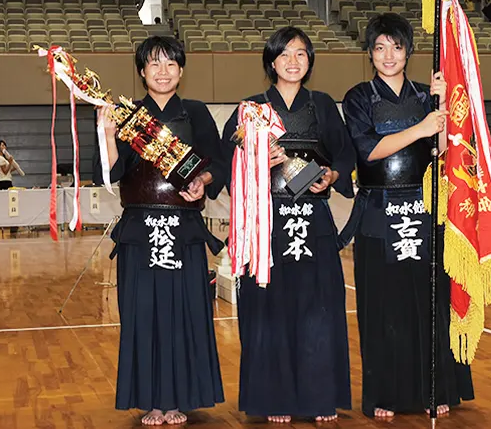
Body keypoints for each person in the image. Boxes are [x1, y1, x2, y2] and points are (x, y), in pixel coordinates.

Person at [219, 27, 355, 423]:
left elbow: (345, 154)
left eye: (301, 54)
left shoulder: (323, 105)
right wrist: (259, 156)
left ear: (310, 61)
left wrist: (330, 175)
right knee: (270, 310)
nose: (293, 61)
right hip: (268, 223)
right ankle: (273, 397)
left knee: (318, 309)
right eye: (285, 54)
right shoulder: (252, 109)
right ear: (271, 62)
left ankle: (318, 396)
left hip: (313, 220)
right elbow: (229, 158)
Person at [340, 12, 473, 419]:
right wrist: (421, 128)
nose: (388, 55)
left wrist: (445, 111)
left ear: (408, 51)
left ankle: (435, 388)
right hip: (379, 213)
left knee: (428, 303)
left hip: (425, 210)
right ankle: (385, 394)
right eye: (379, 48)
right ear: (369, 54)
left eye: (396, 47)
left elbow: (449, 152)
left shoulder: (427, 95)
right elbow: (368, 151)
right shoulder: (359, 97)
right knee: (383, 308)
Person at [94, 36, 225, 426]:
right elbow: (115, 173)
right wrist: (105, 133)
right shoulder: (130, 116)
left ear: (181, 70)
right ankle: (153, 400)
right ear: (141, 72)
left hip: (183, 228)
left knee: (186, 310)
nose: (163, 71)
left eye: (170, 64)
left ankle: (179, 399)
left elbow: (217, 160)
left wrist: (202, 179)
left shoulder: (196, 112)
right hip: (140, 228)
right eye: (154, 64)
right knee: (143, 313)